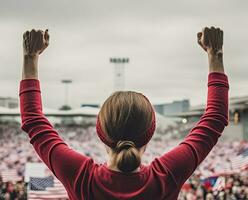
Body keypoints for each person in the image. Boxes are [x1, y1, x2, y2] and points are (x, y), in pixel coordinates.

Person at [19, 26, 229, 199]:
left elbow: (34, 121)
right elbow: (215, 119)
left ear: (101, 133)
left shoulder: (81, 177)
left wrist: (30, 57)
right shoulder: (165, 176)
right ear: (150, 133)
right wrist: (215, 54)